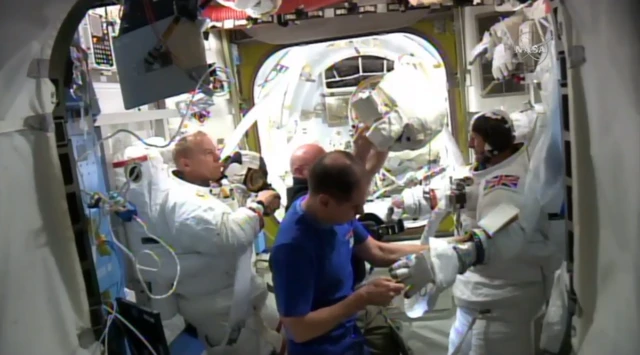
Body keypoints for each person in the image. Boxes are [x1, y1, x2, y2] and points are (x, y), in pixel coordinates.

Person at [389, 110, 560, 355]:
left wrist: (449, 258)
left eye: (475, 138)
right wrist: (410, 200)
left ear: (491, 141)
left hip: (499, 315)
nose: (470, 144)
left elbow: (499, 235)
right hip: (477, 307)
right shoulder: (489, 173)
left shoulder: (507, 185)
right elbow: (462, 189)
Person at [270, 150, 428, 355]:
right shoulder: (293, 248)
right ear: (324, 201)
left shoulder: (338, 214)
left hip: (350, 339)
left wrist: (438, 249)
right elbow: (297, 329)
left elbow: (377, 251)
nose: (360, 212)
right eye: (355, 206)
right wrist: (360, 299)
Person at [154, 131, 283, 355]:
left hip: (241, 297)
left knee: (281, 336)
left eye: (217, 151)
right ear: (186, 163)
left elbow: (231, 216)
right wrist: (260, 206)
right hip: (223, 311)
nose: (218, 158)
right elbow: (231, 235)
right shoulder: (184, 204)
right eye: (208, 153)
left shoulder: (202, 192)